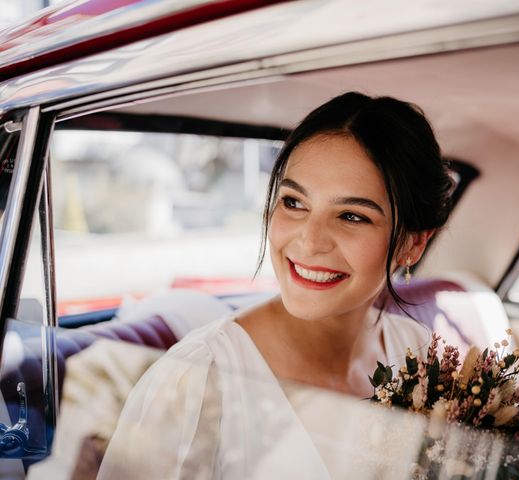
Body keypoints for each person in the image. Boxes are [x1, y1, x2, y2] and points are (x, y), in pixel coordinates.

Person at [97, 92, 454, 479]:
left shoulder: (418, 354)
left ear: (413, 243)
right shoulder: (195, 380)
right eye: (294, 203)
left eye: (351, 216)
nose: (309, 241)